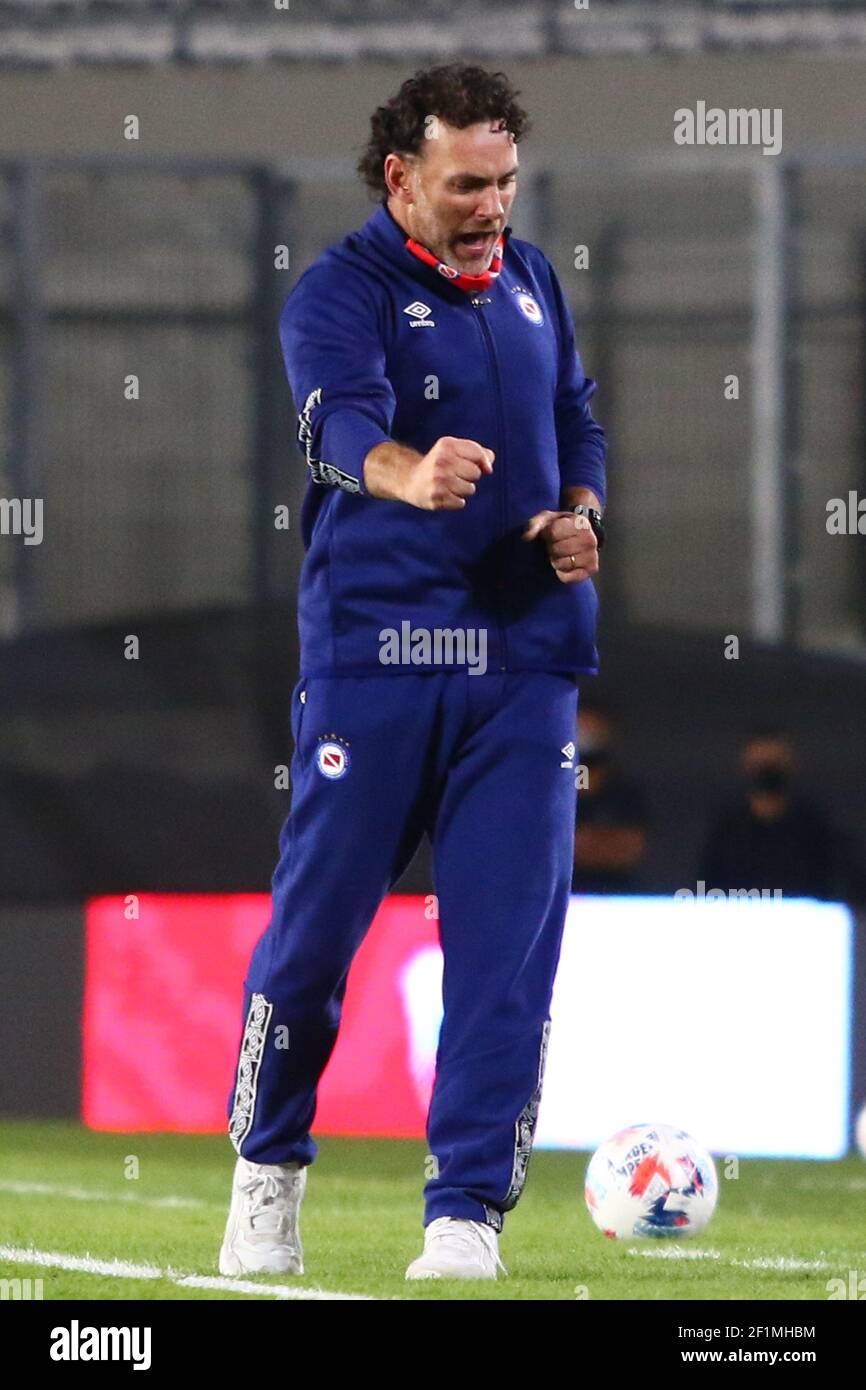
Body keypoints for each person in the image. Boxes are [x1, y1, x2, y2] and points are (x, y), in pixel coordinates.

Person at [219, 62, 607, 1283]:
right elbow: (336, 423)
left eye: (503, 180)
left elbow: (577, 418)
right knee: (317, 934)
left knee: (506, 948)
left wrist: (581, 509)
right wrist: (403, 471)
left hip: (525, 662)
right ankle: (266, 1173)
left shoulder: (535, 279)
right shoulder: (341, 289)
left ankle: (463, 1216)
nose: (492, 204)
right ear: (401, 176)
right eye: (465, 184)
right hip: (378, 656)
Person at [700, 731, 840, 899]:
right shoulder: (726, 830)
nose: (767, 770)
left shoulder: (814, 828)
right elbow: (708, 885)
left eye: (774, 763)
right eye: (761, 764)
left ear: (791, 764)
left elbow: (834, 883)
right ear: (746, 766)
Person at [571, 704, 649, 895]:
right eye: (579, 727)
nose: (584, 735)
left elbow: (629, 850)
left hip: (612, 895)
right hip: (560, 893)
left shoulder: (622, 793)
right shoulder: (548, 790)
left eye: (591, 730)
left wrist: (582, 845)